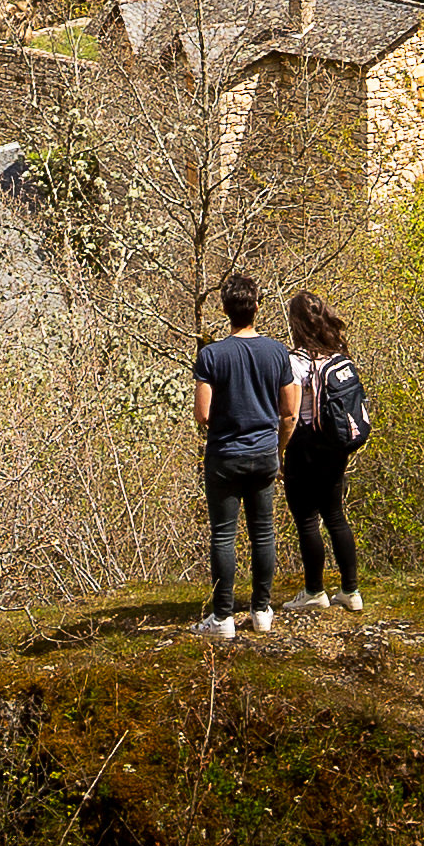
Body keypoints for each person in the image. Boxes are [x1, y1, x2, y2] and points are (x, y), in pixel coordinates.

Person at [192, 271, 297, 636]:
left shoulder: (212, 355)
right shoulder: (277, 352)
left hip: (225, 454)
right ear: (256, 306)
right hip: (264, 453)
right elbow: (290, 412)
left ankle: (222, 618)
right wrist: (279, 450)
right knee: (263, 532)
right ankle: (261, 610)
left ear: (225, 310)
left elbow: (203, 413)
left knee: (223, 535)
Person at [284, 290, 369, 613]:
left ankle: (314, 591)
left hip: (305, 445)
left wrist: (279, 451)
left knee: (307, 520)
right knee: (335, 516)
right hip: (335, 444)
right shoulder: (337, 355)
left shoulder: (296, 361)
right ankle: (351, 590)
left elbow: (290, 414)